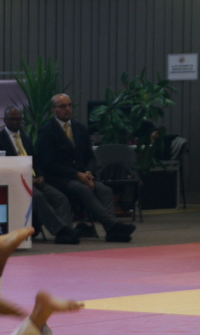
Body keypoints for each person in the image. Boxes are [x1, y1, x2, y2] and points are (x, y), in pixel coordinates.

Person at [35, 93, 136, 243]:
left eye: (69, 105)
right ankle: (114, 224)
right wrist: (76, 174)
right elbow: (48, 163)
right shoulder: (46, 131)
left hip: (83, 175)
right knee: (83, 189)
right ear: (53, 110)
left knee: (105, 190)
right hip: (59, 178)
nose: (67, 109)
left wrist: (89, 171)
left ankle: (112, 232)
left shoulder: (80, 128)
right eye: (62, 106)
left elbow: (90, 157)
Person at [0, 106, 78, 244]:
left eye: (18, 119)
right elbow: (0, 167)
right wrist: (27, 179)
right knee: (37, 197)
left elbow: (36, 162)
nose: (15, 122)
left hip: (35, 179)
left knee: (60, 197)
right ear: (5, 120)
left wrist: (40, 176)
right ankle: (61, 230)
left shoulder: (26, 139)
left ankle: (66, 233)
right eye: (12, 119)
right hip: (16, 182)